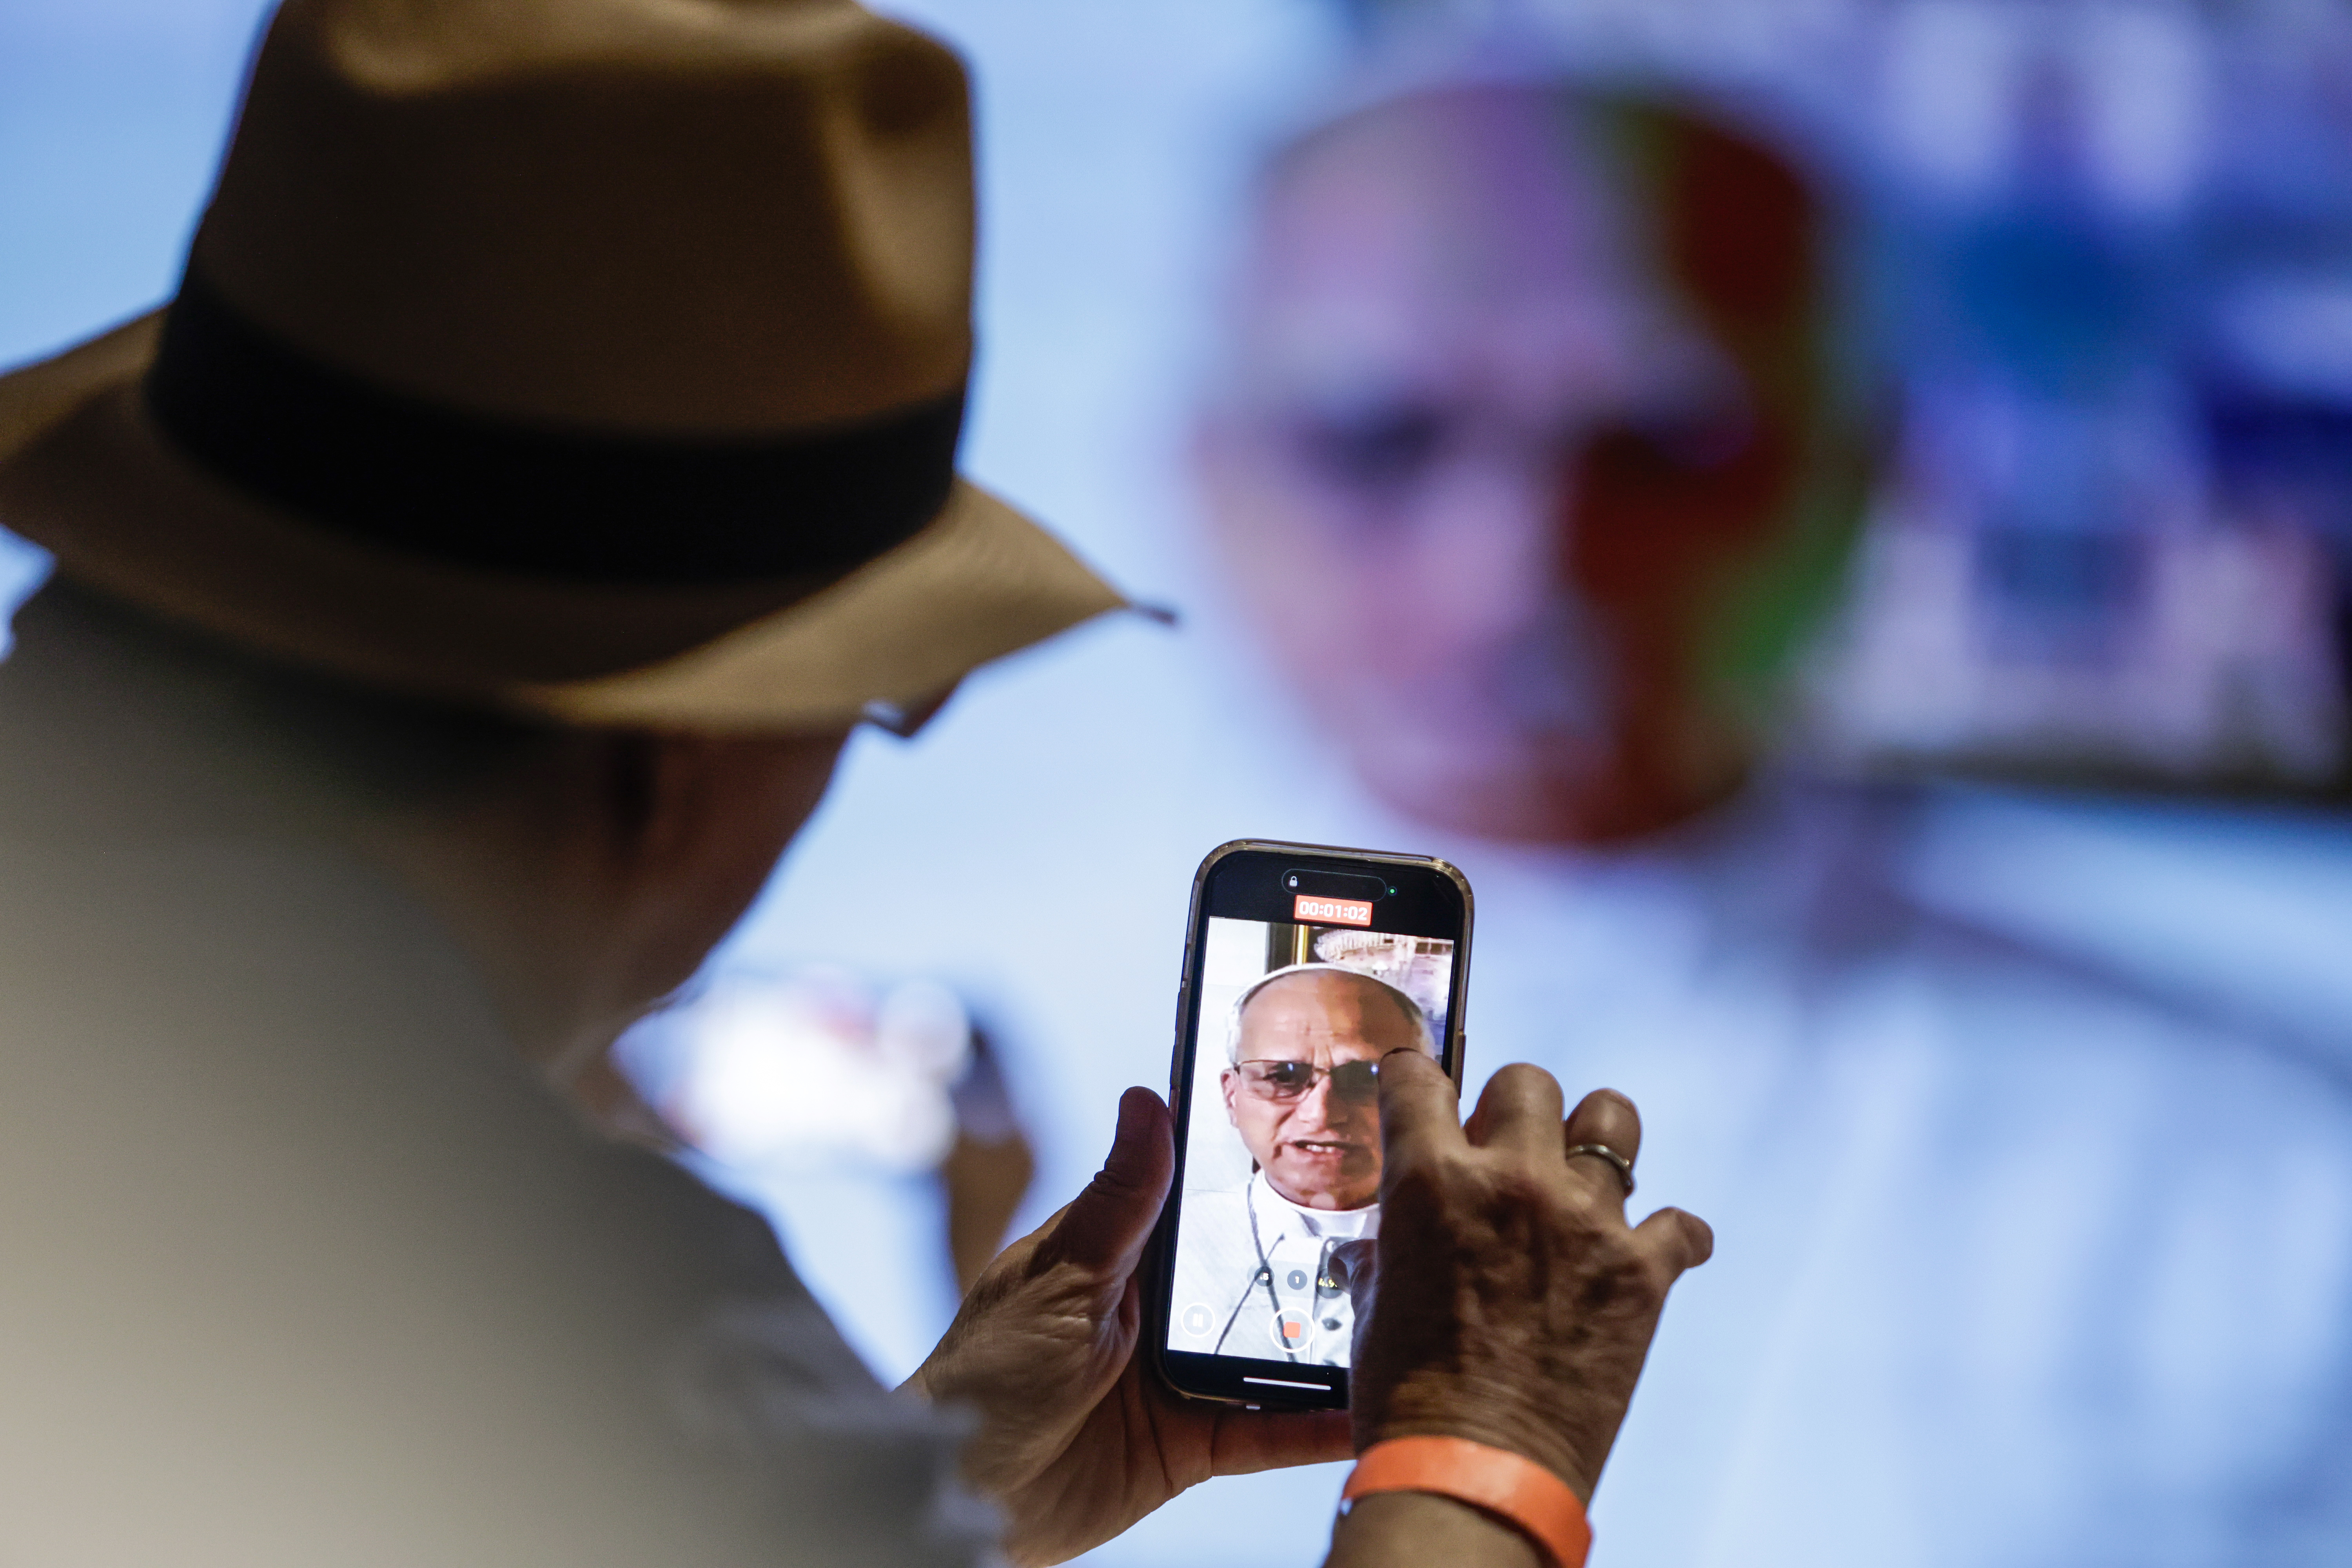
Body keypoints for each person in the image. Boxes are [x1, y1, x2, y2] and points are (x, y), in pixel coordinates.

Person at [0, 4, 1714, 1566]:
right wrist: (1484, 1445)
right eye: (871, 702)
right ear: (675, 755)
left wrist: (870, 1505)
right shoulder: (534, 1301)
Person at [1192, 65, 2352, 1568]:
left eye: (1663, 443)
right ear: (1203, 466)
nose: (1517, 567)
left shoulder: (2257, 1170)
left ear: (1860, 479)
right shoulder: (930, 1076)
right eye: (1378, 435)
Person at [1169, 964, 1430, 1365]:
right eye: (1283, 1075)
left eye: (1365, 1075)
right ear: (1232, 1096)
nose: (1321, 1114)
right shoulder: (1167, 1239)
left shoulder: (1484, 1258)